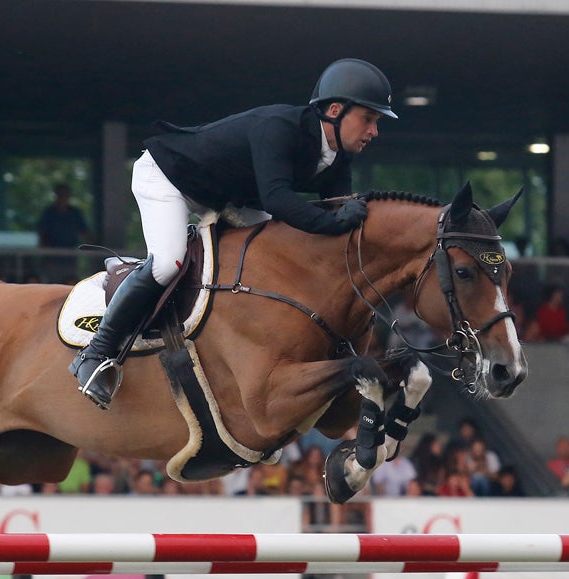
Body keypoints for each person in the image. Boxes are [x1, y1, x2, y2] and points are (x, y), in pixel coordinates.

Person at [68, 58, 397, 408]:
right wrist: (336, 221)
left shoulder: (338, 157)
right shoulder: (280, 127)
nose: (374, 131)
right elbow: (280, 200)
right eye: (368, 119)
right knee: (168, 263)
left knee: (277, 257)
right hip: (169, 177)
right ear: (335, 110)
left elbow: (334, 215)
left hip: (227, 196)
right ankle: (95, 354)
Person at [37, 183, 92, 248]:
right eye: (60, 195)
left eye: (65, 195)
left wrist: (94, 250)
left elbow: (85, 233)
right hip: (51, 253)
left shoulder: (75, 214)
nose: (62, 198)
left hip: (70, 253)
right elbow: (41, 233)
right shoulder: (48, 213)